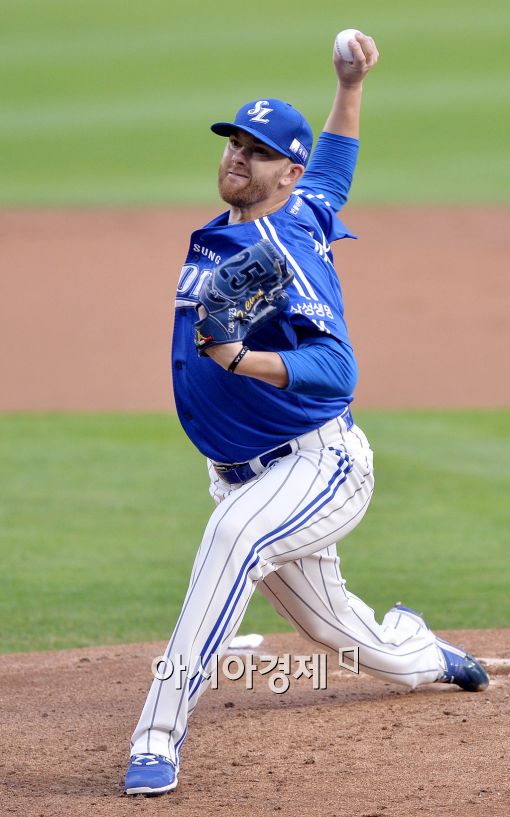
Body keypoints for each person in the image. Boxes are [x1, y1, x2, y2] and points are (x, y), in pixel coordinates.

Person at [124, 32, 489, 796]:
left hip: (319, 463)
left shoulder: (280, 250)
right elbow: (331, 177)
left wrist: (240, 359)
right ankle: (423, 652)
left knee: (232, 538)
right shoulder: (294, 207)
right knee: (333, 626)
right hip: (250, 470)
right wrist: (349, 87)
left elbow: (338, 368)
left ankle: (156, 732)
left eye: (257, 152)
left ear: (281, 175)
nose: (237, 157)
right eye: (234, 142)